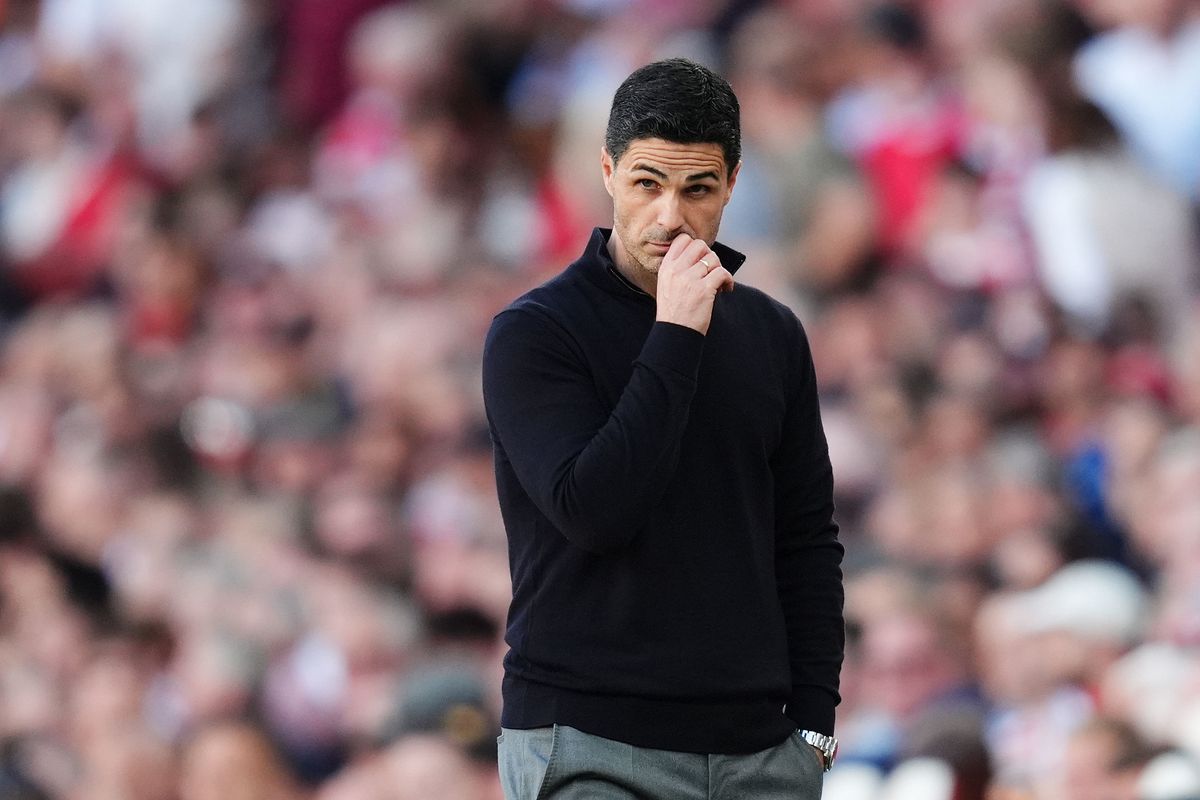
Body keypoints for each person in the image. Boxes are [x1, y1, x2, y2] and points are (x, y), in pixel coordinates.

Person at [482, 58, 844, 799]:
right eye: (648, 183)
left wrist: (812, 727)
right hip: (590, 743)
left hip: (758, 752)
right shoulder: (536, 334)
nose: (671, 215)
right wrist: (676, 331)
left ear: (733, 185)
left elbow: (805, 538)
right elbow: (595, 510)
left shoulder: (772, 334)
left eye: (698, 189)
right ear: (608, 171)